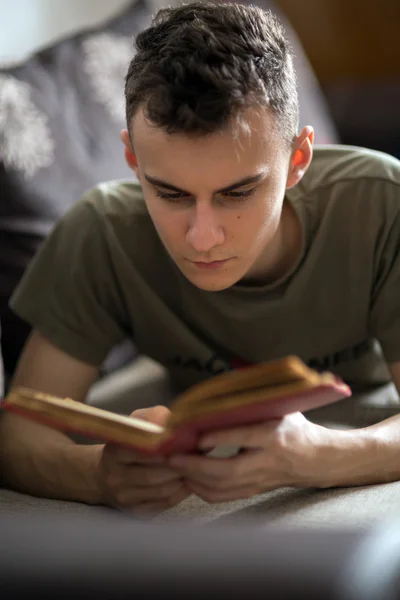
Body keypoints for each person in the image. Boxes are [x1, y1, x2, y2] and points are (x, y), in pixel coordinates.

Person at [1, 1, 399, 514]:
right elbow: (19, 433)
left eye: (238, 193)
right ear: (133, 161)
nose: (202, 238)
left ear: (298, 159)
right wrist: (97, 474)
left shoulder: (379, 201)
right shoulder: (100, 232)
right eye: (170, 194)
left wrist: (321, 455)